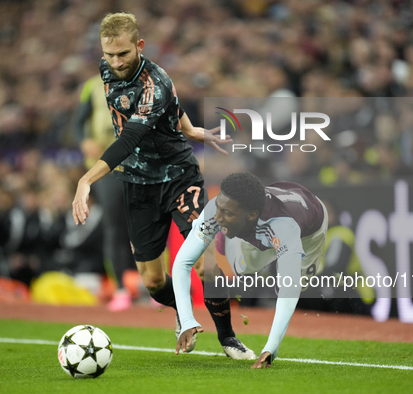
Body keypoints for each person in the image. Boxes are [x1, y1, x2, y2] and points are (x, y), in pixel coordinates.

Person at [71, 12, 255, 359]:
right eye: (109, 54)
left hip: (179, 177)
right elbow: (175, 107)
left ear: (139, 46)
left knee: (204, 263)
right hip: (138, 185)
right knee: (154, 282)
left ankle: (229, 338)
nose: (115, 62)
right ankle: (181, 313)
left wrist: (85, 179)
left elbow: (130, 139)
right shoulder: (105, 68)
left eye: (123, 54)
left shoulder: (155, 82)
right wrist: (190, 129)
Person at [172, 172, 329, 369]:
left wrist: (272, 347)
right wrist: (187, 320)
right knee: (243, 270)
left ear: (252, 214)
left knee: (294, 286)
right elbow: (182, 263)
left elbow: (291, 288)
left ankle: (280, 255)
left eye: (227, 213)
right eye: (219, 209)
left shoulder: (284, 226)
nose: (218, 218)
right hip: (263, 220)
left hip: (309, 232)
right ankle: (232, 239)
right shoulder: (217, 208)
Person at [73, 74, 139, 311]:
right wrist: (84, 142)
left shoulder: (148, 83)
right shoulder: (92, 86)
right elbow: (78, 124)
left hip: (140, 165)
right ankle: (121, 288)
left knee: (148, 224)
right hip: (105, 166)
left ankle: (154, 285)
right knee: (115, 226)